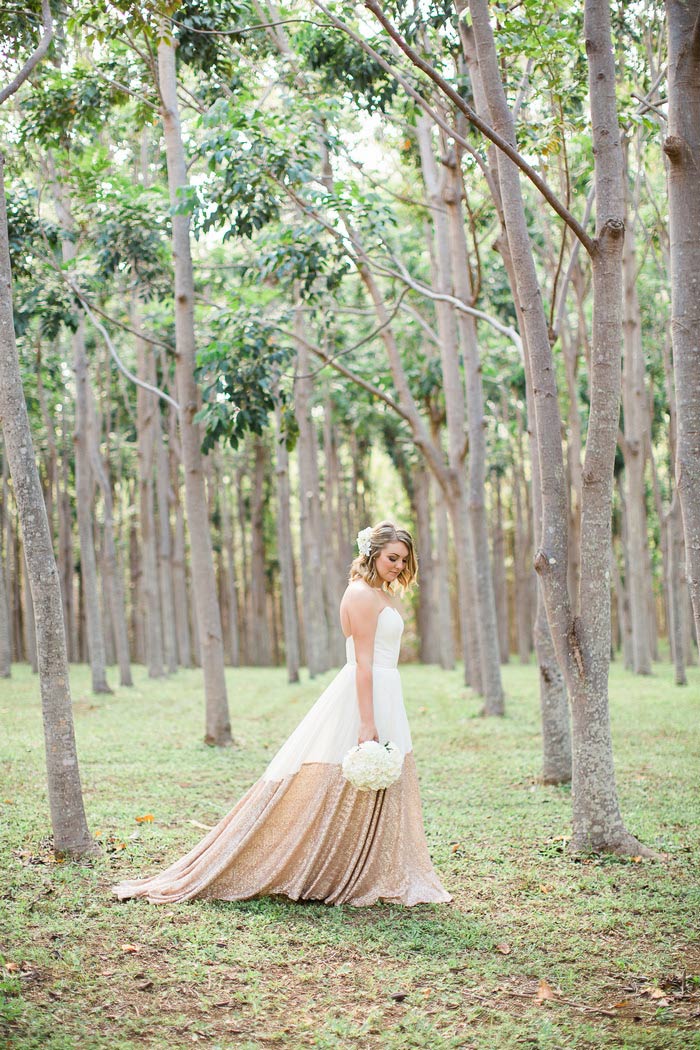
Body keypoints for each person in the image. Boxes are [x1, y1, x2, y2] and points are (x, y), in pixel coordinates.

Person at [113, 520, 451, 908]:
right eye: (393, 558)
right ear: (372, 553)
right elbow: (362, 664)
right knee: (338, 777)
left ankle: (362, 868)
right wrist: (367, 721)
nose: (398, 566)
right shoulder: (360, 594)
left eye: (404, 560)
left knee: (376, 781)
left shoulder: (378, 593)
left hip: (387, 690)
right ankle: (312, 866)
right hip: (366, 693)